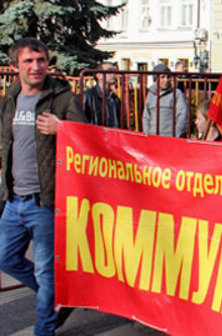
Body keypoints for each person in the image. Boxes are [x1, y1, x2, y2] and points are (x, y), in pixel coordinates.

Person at [0, 38, 86, 336]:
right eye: (28, 61)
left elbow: (86, 140)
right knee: (5, 259)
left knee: (45, 272)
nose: (37, 66)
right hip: (13, 201)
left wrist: (63, 129)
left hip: (46, 202)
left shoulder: (62, 98)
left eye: (41, 60)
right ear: (14, 67)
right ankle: (58, 299)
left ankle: (45, 328)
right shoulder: (10, 98)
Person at [142, 64, 189, 137]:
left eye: (168, 77)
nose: (166, 80)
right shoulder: (150, 95)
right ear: (156, 79)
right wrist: (147, 134)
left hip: (170, 139)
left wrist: (175, 135)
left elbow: (182, 116)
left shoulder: (176, 94)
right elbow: (146, 117)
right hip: (153, 138)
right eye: (162, 77)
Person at [83, 61, 121, 127]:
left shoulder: (115, 98)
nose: (114, 73)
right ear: (99, 75)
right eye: (110, 70)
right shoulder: (87, 96)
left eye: (115, 71)